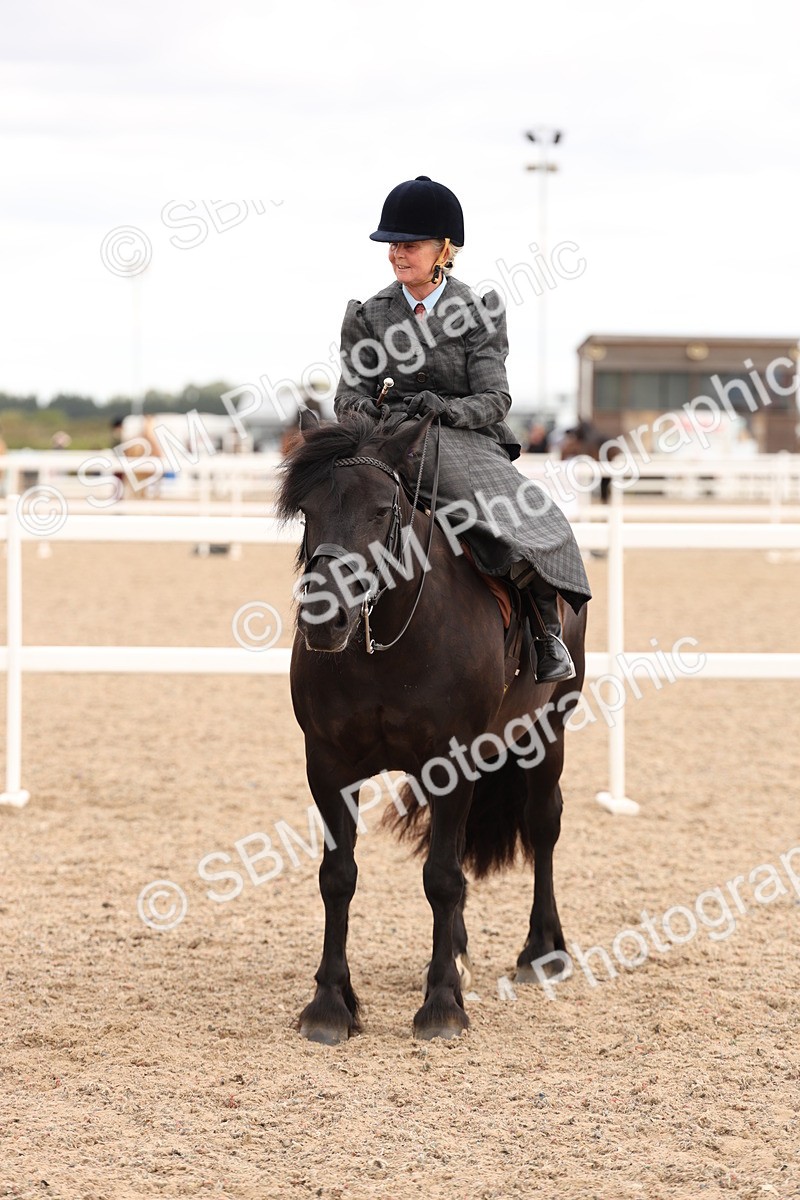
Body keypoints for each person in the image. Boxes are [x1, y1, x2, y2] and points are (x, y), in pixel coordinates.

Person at [333, 175, 590, 682]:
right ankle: (325, 602)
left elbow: (496, 399)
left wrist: (445, 411)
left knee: (529, 519)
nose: (396, 255)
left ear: (444, 249)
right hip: (389, 437)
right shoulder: (368, 314)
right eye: (392, 246)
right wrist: (369, 420)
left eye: (409, 245)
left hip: (463, 437)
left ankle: (544, 628)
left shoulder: (478, 311)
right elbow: (348, 394)